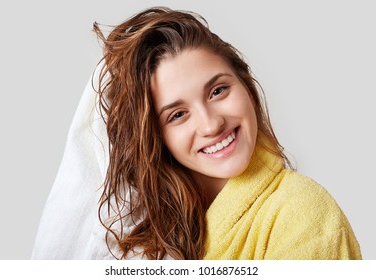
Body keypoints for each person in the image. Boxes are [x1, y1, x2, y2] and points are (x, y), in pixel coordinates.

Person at [32, 7, 361, 260]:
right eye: (177, 115)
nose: (210, 124)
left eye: (218, 91)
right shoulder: (152, 234)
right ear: (156, 136)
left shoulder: (302, 213)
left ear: (245, 85)